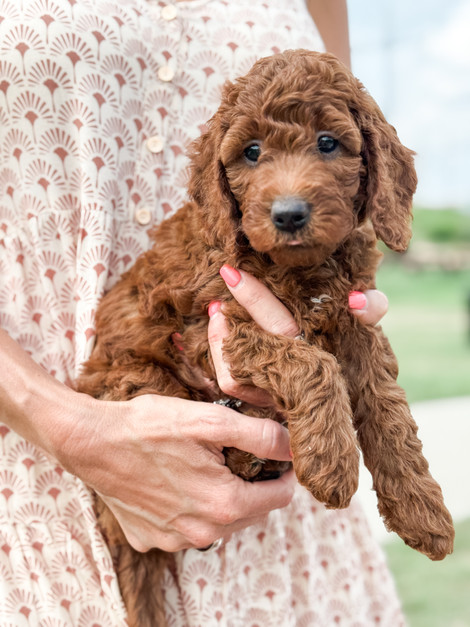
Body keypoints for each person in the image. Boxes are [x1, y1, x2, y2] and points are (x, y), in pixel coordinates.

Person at [0, 0, 401, 624]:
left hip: (286, 529)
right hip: (46, 483)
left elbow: (348, 174)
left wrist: (347, 305)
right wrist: (72, 427)